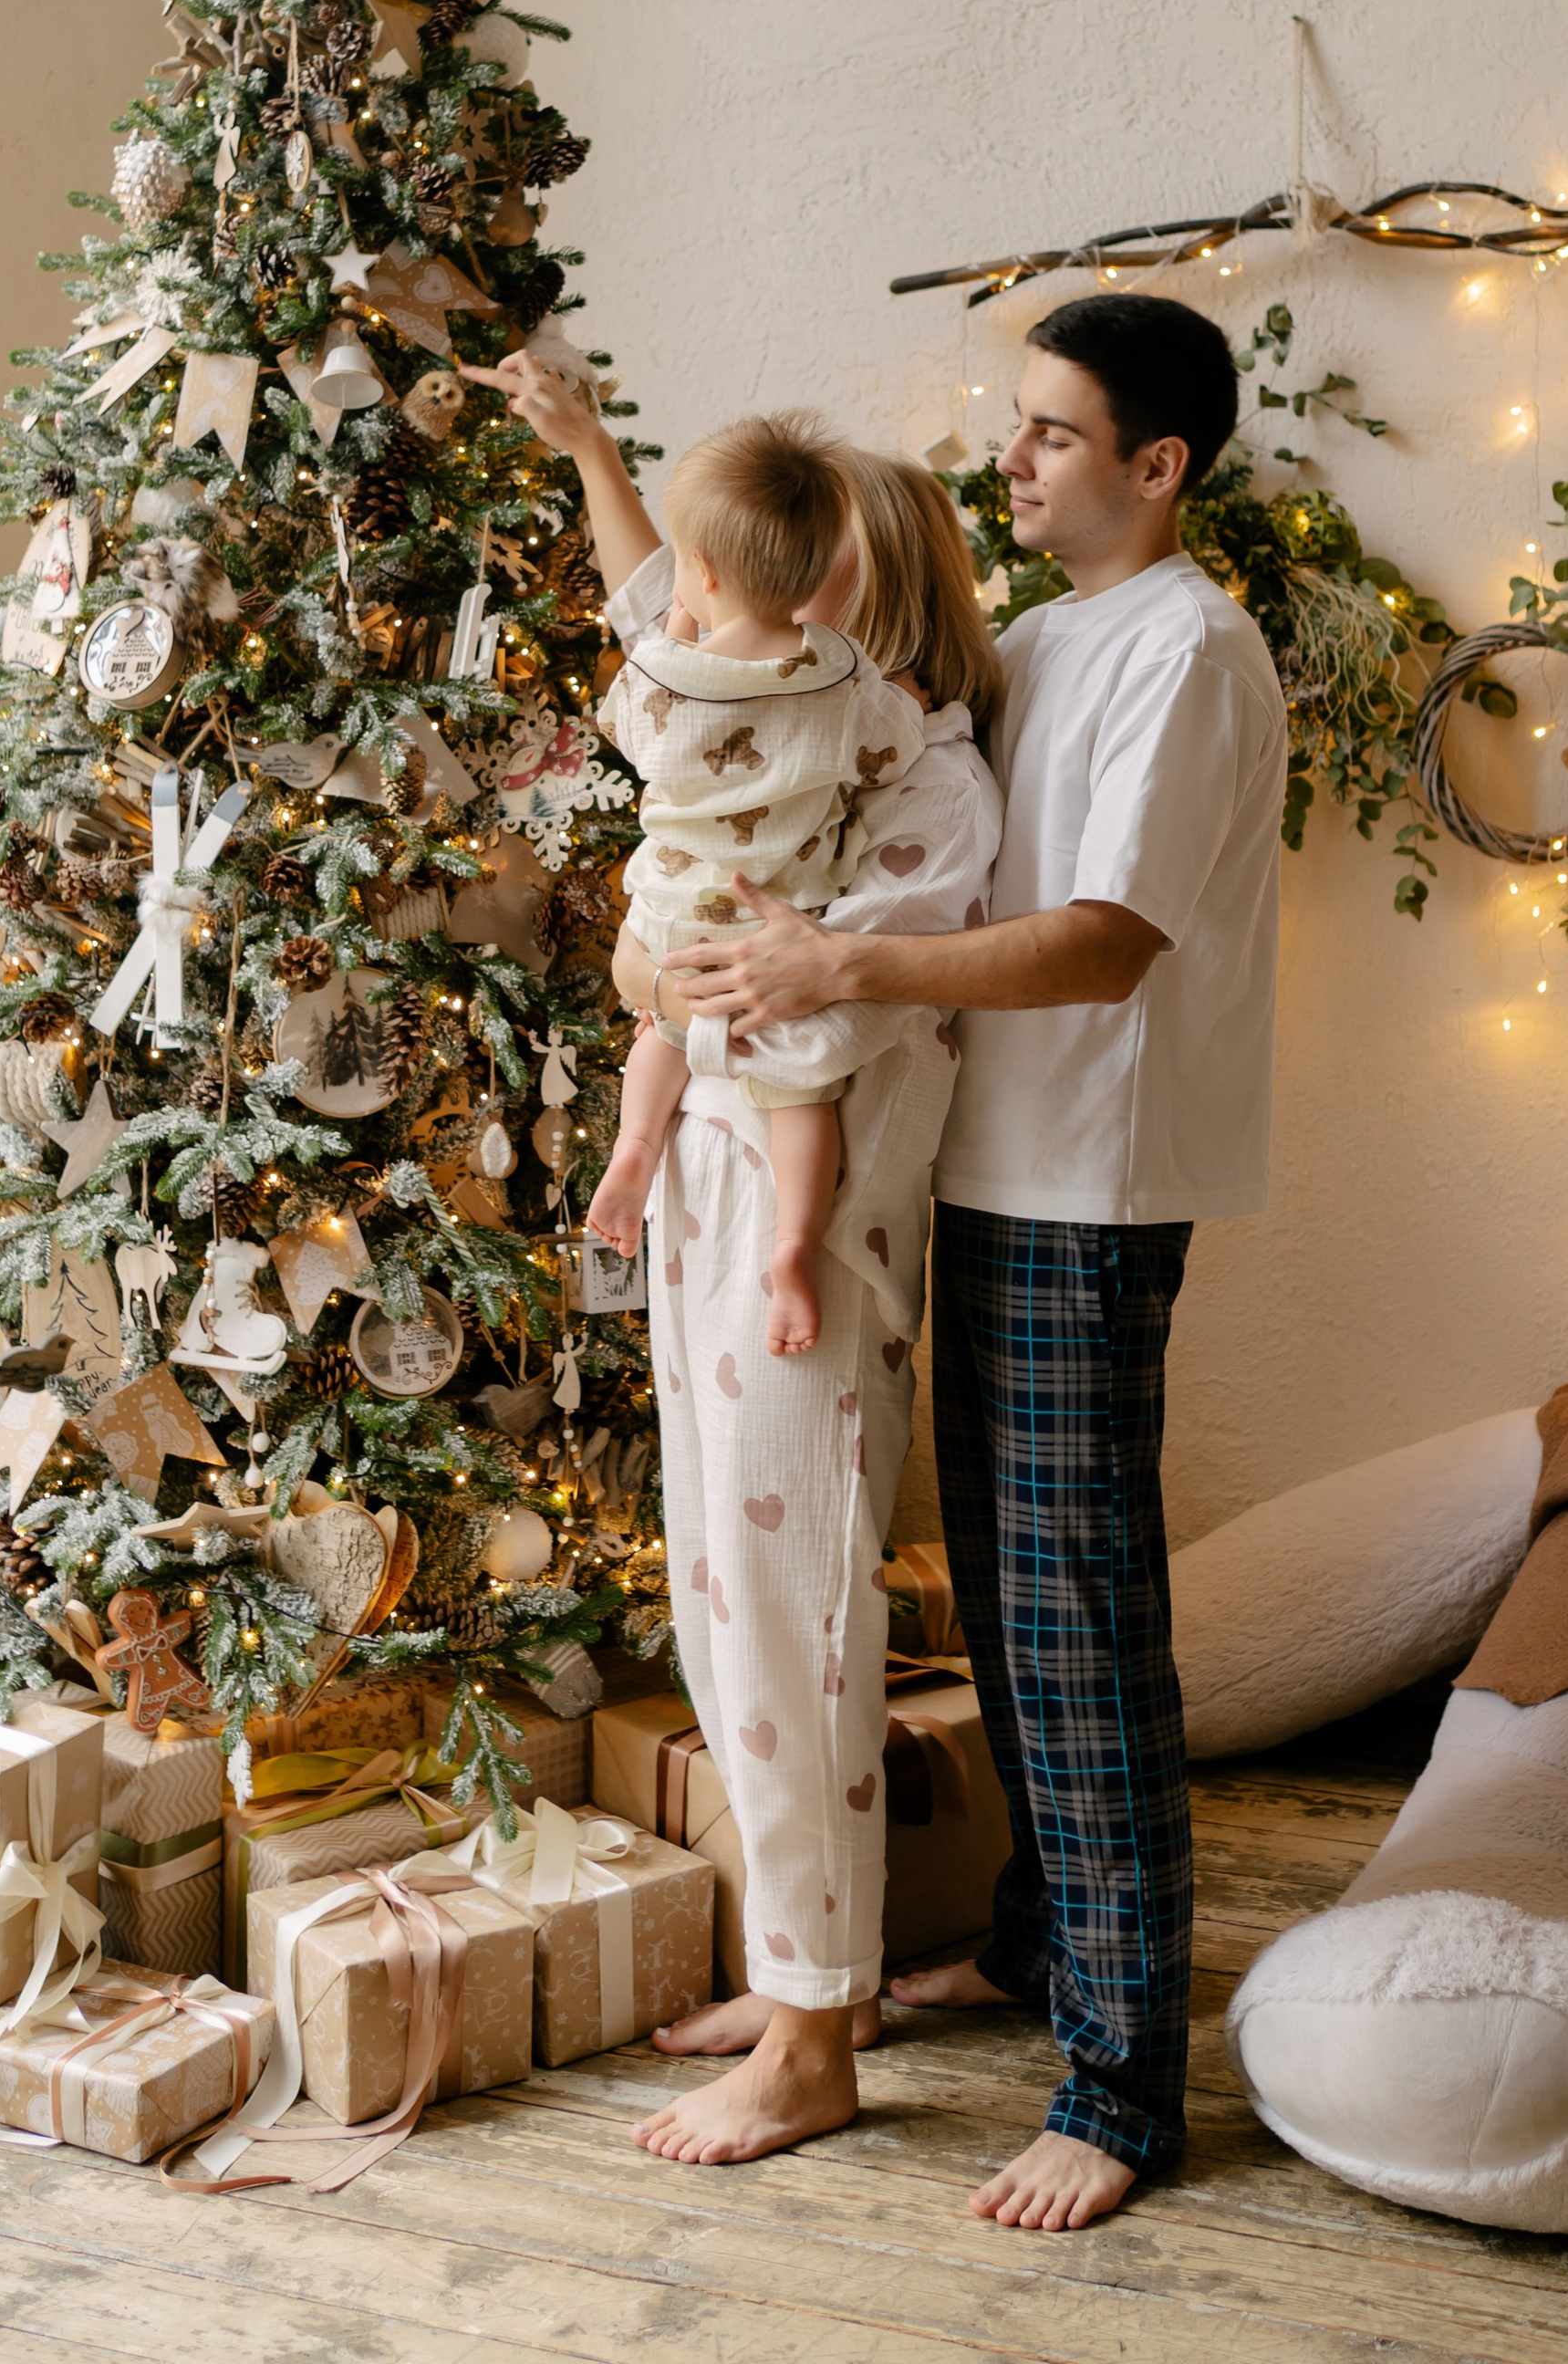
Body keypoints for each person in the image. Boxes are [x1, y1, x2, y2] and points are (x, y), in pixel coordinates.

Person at [663, 293, 1287, 2233]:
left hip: (1088, 1188)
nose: (1007, 458)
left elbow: (1105, 940)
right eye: (1015, 425)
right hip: (993, 1171)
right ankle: (1031, 1952)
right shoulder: (1041, 635)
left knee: (1074, 1627)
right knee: (1014, 1613)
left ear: (1156, 467)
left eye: (1050, 434)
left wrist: (832, 963)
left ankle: (1118, 2089)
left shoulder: (1186, 650)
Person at [469, 351, 1001, 2166]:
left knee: (789, 1621)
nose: (733, 620)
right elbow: (658, 606)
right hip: (706, 1204)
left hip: (809, 1249)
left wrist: (669, 977)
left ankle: (813, 2036)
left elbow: (814, 1010)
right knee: (719, 1603)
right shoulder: (771, 722)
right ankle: (806, 1987)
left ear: (860, 603)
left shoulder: (919, 777)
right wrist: (586, 446)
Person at [588, 413, 923, 1357]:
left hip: (670, 913)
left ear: (700, 572)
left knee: (661, 1029)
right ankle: (793, 1246)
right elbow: (890, 754)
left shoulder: (662, 675)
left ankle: (633, 1150)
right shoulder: (842, 674)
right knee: (798, 1095)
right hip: (781, 925)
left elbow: (623, 730)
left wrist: (678, 633)